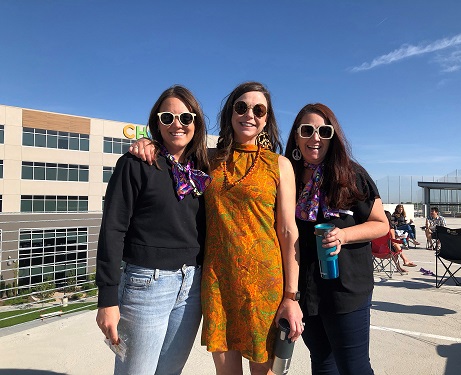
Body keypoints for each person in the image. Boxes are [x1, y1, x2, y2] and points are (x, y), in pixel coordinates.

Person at [130, 82, 303, 375]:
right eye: (241, 107)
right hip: (218, 282)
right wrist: (149, 143)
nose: (249, 114)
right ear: (230, 113)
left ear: (266, 119)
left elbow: (288, 232)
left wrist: (291, 296)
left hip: (264, 284)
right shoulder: (207, 159)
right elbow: (174, 150)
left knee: (265, 372)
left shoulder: (280, 165)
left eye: (258, 109)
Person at [95, 85, 211, 375]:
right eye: (167, 117)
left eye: (186, 118)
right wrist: (107, 300)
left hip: (191, 287)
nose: (177, 125)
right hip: (146, 285)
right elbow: (112, 229)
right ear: (156, 122)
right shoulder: (135, 164)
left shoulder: (202, 169)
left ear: (196, 123)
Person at [284, 103, 388, 375]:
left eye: (323, 131)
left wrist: (343, 234)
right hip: (306, 290)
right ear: (296, 136)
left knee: (353, 367)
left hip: (346, 289)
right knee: (321, 362)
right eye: (307, 130)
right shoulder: (288, 176)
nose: (315, 137)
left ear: (333, 136)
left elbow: (380, 224)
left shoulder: (351, 174)